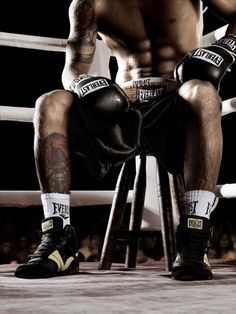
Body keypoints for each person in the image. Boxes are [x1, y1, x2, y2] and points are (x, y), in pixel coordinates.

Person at [15, 0, 236, 280]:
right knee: (50, 102)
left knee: (202, 92)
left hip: (175, 105)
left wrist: (225, 49)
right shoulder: (89, 3)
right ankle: (57, 239)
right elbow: (73, 67)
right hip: (121, 109)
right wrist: (84, 84)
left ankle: (194, 237)